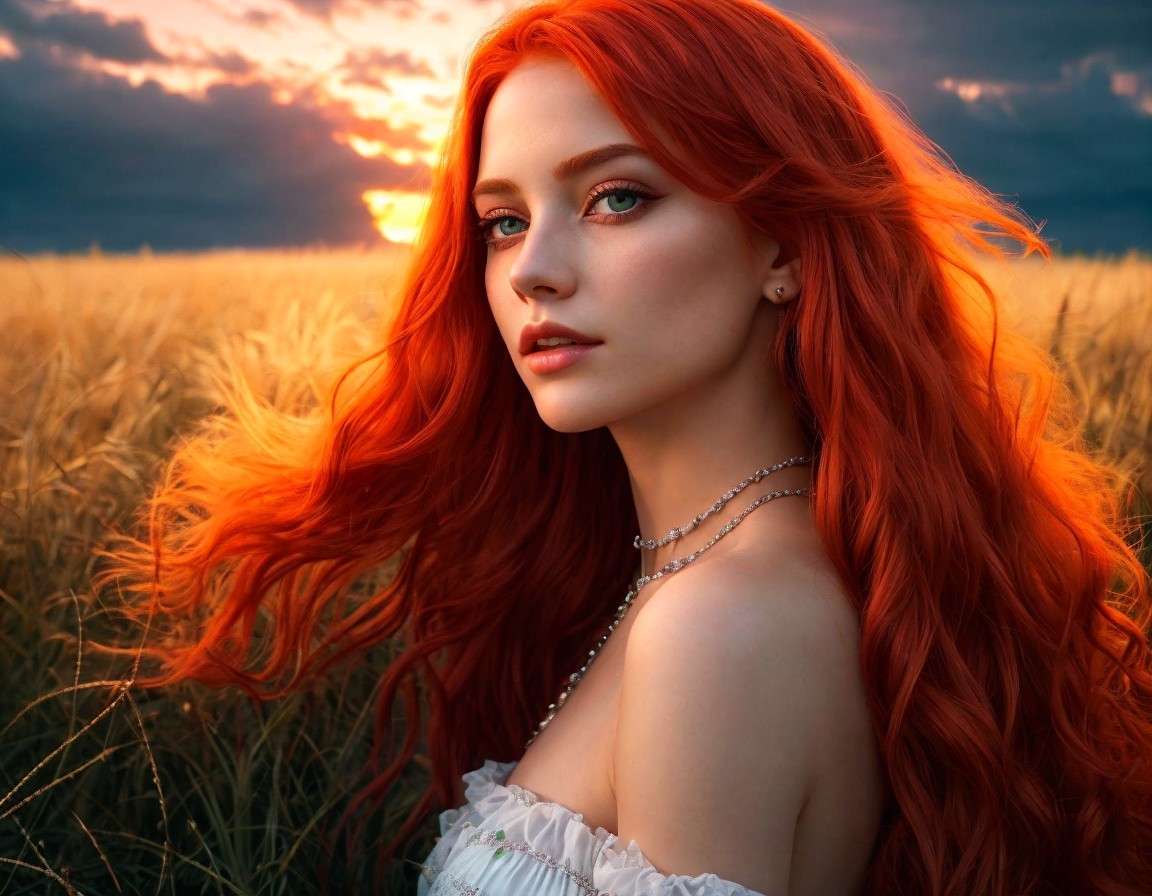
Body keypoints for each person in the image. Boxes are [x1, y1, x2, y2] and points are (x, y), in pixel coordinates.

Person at [107, 0, 1152, 893]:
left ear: (783, 247)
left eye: (617, 197)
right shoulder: (710, 578)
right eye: (503, 220)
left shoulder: (719, 624)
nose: (533, 272)